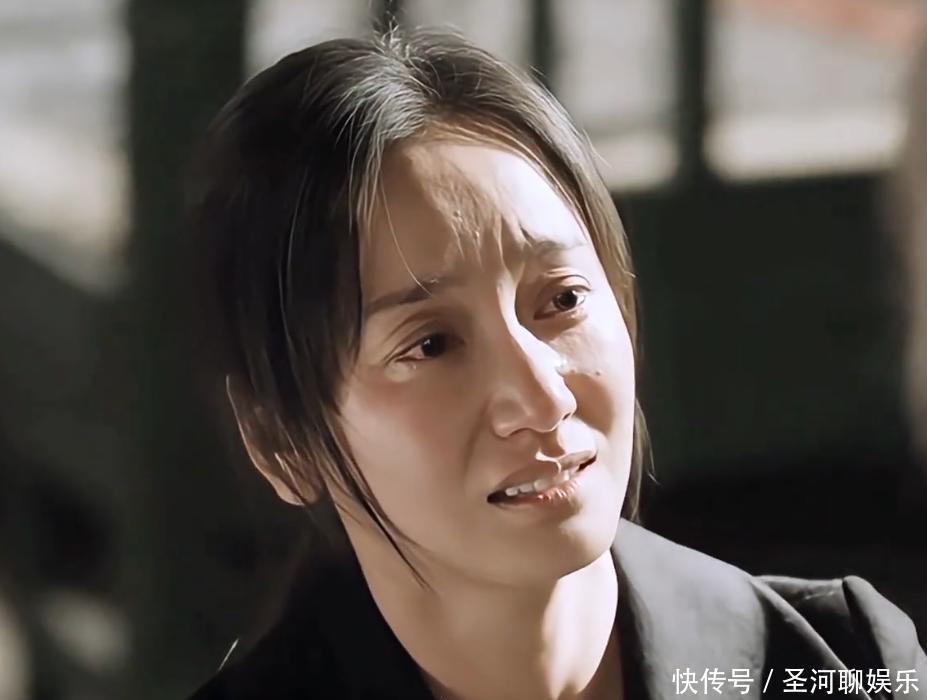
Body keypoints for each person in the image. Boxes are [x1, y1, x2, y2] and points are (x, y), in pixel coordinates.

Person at [186, 27, 926, 700]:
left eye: (563, 300)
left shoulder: (841, 666)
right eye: (431, 344)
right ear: (282, 442)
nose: (543, 398)